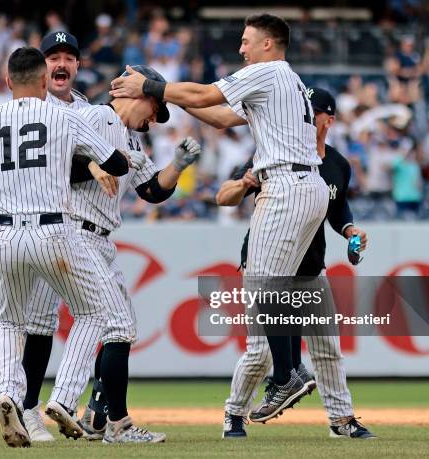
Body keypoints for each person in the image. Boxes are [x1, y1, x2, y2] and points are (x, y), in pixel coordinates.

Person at [111, 13, 329, 421]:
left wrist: (149, 87)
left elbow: (205, 96)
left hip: (285, 184)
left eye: (247, 41)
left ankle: (287, 375)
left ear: (268, 43)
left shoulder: (268, 72)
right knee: (276, 285)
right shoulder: (287, 81)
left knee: (261, 283)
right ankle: (291, 368)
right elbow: (222, 116)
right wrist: (169, 97)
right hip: (307, 186)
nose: (240, 48)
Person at [0, 46, 130, 448]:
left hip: (2, 235)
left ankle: (8, 393)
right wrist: (85, 160)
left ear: (7, 82)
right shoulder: (62, 116)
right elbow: (118, 164)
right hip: (50, 233)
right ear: (43, 81)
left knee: (8, 319)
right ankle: (62, 398)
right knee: (94, 312)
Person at [34, 65, 200, 444]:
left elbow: (152, 192)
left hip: (100, 237)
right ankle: (116, 424)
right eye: (155, 108)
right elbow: (52, 162)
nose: (153, 119)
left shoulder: (131, 140)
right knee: (118, 326)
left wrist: (178, 165)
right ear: (136, 93)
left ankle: (95, 417)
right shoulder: (93, 116)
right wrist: (94, 163)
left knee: (117, 327)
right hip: (76, 230)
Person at [217, 87, 375, 439]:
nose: (304, 117)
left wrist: (349, 228)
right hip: (269, 267)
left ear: (327, 120)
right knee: (260, 354)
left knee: (327, 350)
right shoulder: (273, 154)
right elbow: (222, 197)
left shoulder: (337, 165)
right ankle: (234, 414)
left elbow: (338, 209)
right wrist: (245, 182)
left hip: (310, 269)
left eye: (312, 112)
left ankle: (341, 420)